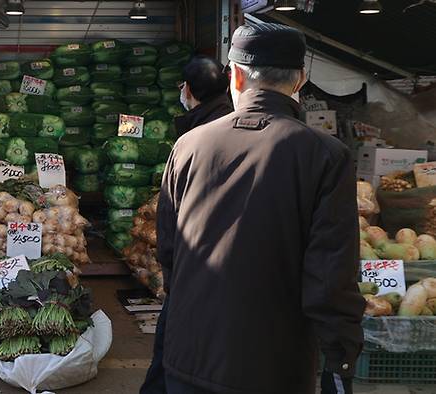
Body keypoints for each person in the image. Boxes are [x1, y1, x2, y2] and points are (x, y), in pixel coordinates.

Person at [155, 23, 365, 394]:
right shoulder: (326, 155)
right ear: (300, 80)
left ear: (235, 76)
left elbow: (169, 251)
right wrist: (340, 360)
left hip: (187, 357)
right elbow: (331, 278)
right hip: (273, 366)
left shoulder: (188, 145)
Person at [140, 56, 232, 394]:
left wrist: (171, 269)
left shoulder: (197, 140)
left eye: (183, 85)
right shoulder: (228, 125)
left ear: (189, 90)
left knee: (171, 355)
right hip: (224, 270)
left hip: (193, 269)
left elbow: (171, 215)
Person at [174, 56, 232, 137]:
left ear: (187, 89)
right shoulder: (235, 120)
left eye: (182, 86)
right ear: (227, 88)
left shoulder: (191, 137)